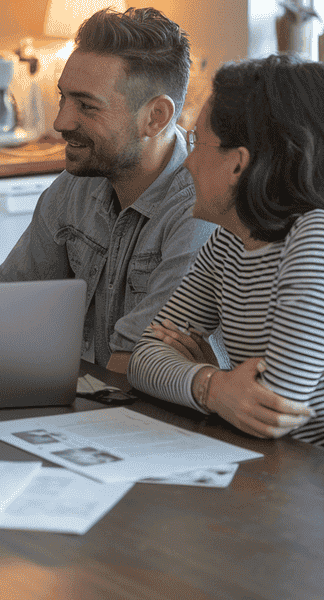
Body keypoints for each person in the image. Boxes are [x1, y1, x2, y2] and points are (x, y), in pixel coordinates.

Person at [0, 7, 216, 372]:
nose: (61, 121)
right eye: (63, 97)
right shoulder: (73, 188)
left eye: (87, 106)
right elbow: (2, 310)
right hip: (93, 407)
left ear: (155, 117)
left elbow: (135, 364)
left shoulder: (202, 208)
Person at [128, 54, 323, 445]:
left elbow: (272, 411)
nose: (187, 163)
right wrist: (213, 386)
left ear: (238, 164)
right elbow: (144, 357)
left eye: (197, 142)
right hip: (275, 475)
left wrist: (199, 382)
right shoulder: (227, 243)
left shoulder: (314, 239)